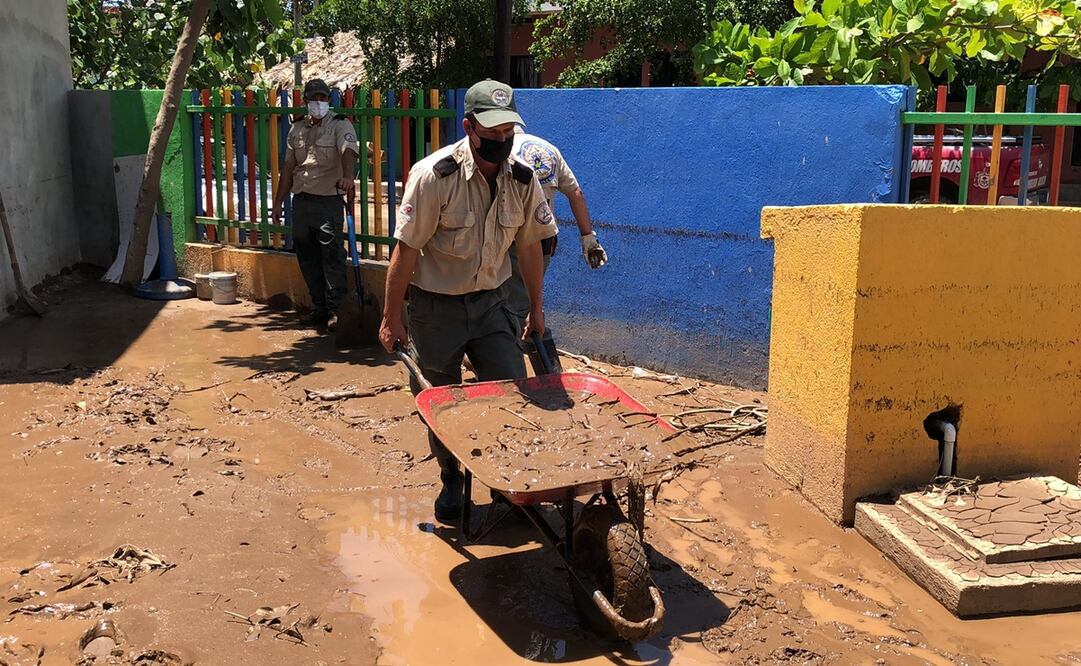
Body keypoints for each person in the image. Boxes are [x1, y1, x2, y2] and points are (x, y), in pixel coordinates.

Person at [379, 80, 556, 523]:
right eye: (491, 133)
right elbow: (406, 251)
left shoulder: (522, 179)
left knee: (511, 392)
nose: (501, 141)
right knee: (441, 400)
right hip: (435, 309)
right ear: (469, 127)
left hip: (494, 303)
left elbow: (531, 248)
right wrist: (390, 318)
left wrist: (535, 311)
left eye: (507, 133)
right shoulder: (434, 176)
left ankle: (503, 480)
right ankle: (451, 477)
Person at [507, 126, 607, 371]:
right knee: (530, 299)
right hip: (545, 237)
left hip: (512, 236)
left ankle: (517, 370)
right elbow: (576, 192)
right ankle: (546, 369)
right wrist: (588, 238)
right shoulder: (548, 148)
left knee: (511, 305)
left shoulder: (503, 150)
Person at [271, 78, 359, 331]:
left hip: (327, 201)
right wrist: (278, 202)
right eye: (314, 98)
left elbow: (348, 151)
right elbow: (288, 168)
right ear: (306, 101)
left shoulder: (340, 124)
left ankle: (336, 311)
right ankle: (319, 307)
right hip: (302, 201)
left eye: (323, 98)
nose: (318, 103)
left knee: (331, 256)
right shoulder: (296, 129)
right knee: (307, 257)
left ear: (328, 100)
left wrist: (348, 176)